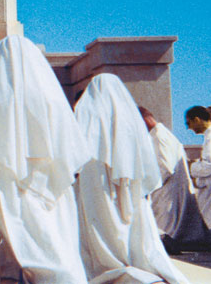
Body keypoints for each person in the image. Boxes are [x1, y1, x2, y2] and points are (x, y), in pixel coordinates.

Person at [0, 35, 90, 283]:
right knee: (56, 254)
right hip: (54, 193)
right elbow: (74, 151)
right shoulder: (54, 99)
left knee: (13, 264)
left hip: (9, 192)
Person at [73, 75, 189, 284]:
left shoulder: (87, 119)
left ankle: (110, 264)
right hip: (128, 188)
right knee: (131, 230)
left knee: (102, 230)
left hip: (95, 189)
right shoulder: (129, 124)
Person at [138, 106, 208, 247]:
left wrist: (144, 189)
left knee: (164, 234)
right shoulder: (159, 135)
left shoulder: (159, 136)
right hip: (167, 194)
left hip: (166, 197)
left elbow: (164, 168)